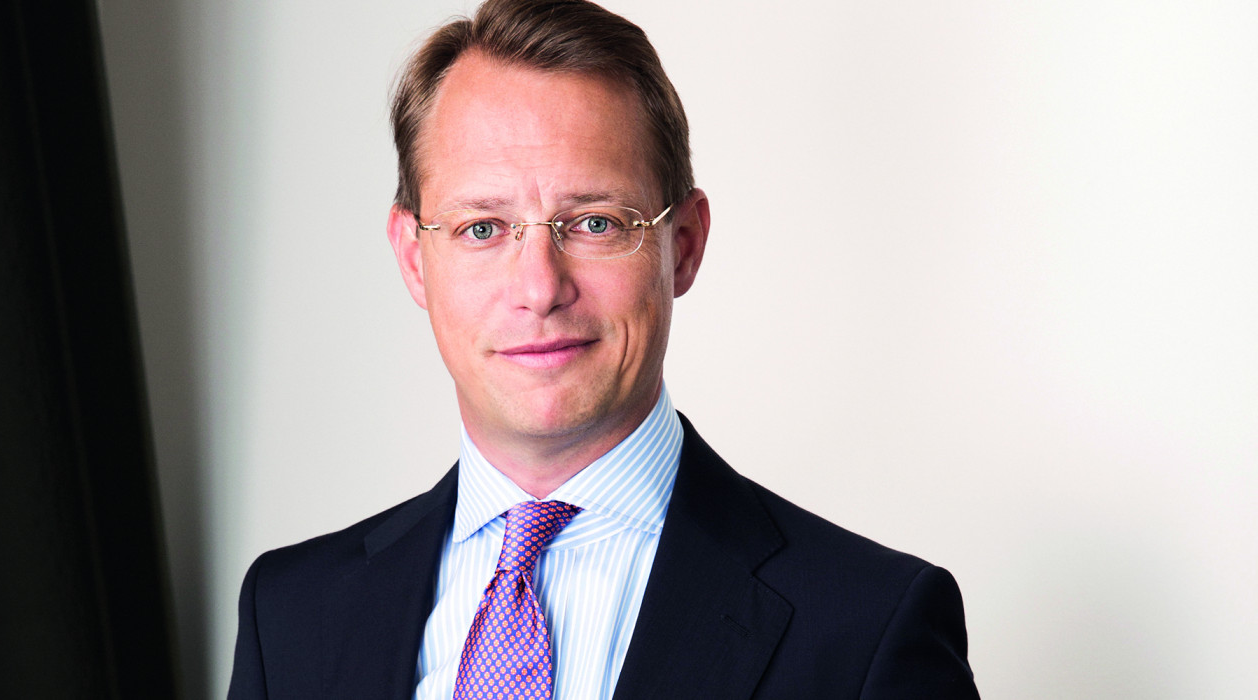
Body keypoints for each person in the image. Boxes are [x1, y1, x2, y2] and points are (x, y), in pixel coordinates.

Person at [227, 0, 980, 697]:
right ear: (413, 258)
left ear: (683, 245)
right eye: (481, 228)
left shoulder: (867, 630)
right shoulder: (288, 615)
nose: (539, 288)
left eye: (595, 223)